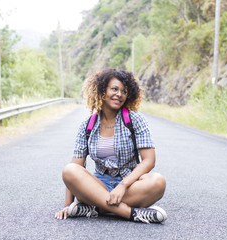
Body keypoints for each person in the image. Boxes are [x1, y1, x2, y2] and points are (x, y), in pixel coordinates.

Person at [54, 69, 167, 224]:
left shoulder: (135, 120)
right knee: (69, 170)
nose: (119, 94)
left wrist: (122, 185)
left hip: (129, 185)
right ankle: (131, 213)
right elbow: (76, 167)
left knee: (157, 181)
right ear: (102, 91)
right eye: (114, 89)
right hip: (97, 186)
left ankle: (95, 208)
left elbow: (149, 161)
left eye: (124, 91)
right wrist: (68, 205)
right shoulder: (87, 125)